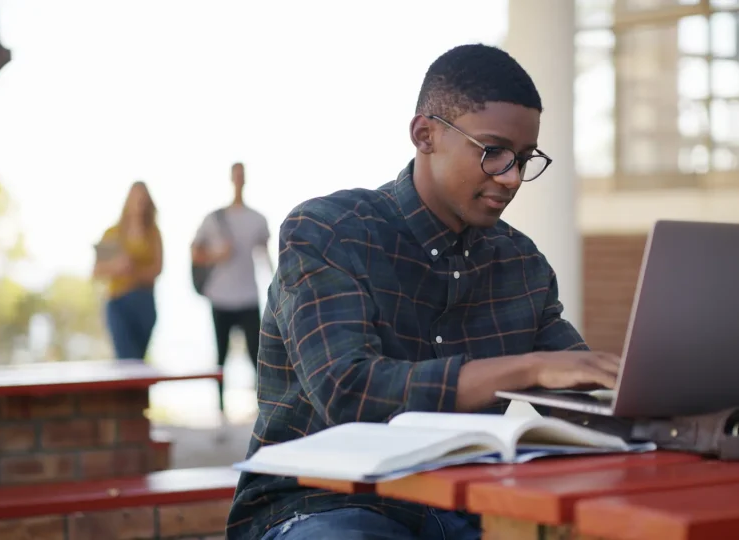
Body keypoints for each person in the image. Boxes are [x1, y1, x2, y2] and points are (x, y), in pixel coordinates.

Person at [226, 44, 621, 540]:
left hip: (467, 505)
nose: (513, 178)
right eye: (493, 152)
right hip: (323, 506)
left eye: (524, 159)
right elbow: (350, 392)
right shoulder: (328, 232)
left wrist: (677, 401)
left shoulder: (521, 263)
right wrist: (529, 368)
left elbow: (581, 397)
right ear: (425, 134)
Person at [191, 162, 273, 419]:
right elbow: (195, 252)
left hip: (248, 295)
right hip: (221, 297)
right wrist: (218, 254)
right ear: (231, 178)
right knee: (221, 356)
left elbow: (265, 254)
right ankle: (220, 411)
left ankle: (264, 407)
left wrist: (279, 284)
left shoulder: (258, 219)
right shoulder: (213, 219)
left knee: (258, 355)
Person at [92, 181, 163, 361]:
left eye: (143, 199)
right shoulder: (113, 233)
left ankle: (139, 390)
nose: (140, 202)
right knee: (126, 360)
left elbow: (158, 269)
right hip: (118, 301)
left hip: (145, 302)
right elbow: (97, 270)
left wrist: (134, 271)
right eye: (136, 197)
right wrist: (117, 267)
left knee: (138, 360)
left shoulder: (153, 233)